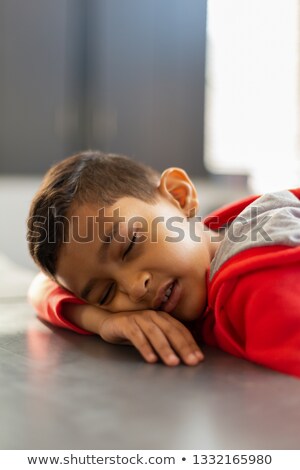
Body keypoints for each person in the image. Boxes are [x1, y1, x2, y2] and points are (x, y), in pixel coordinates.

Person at [27, 151, 300, 377]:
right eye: (106, 293)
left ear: (179, 197)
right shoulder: (209, 235)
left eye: (130, 245)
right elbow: (40, 287)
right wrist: (104, 322)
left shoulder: (260, 281)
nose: (135, 289)